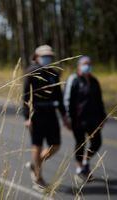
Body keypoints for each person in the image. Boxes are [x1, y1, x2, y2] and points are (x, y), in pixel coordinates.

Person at [22, 45, 70, 189]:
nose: (47, 58)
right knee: (37, 145)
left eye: (49, 56)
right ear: (36, 57)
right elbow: (25, 96)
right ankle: (38, 178)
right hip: (36, 115)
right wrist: (27, 117)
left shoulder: (54, 74)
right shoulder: (30, 72)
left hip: (51, 113)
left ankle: (34, 164)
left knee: (55, 145)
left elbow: (59, 97)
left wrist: (64, 116)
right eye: (44, 56)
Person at [64, 56, 106, 181]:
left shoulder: (94, 81)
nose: (87, 66)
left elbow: (99, 101)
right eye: (84, 64)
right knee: (80, 143)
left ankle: (84, 162)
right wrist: (67, 117)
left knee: (97, 142)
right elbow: (67, 100)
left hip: (94, 119)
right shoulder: (73, 79)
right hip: (78, 119)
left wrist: (103, 116)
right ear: (78, 66)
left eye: (89, 63)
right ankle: (80, 168)